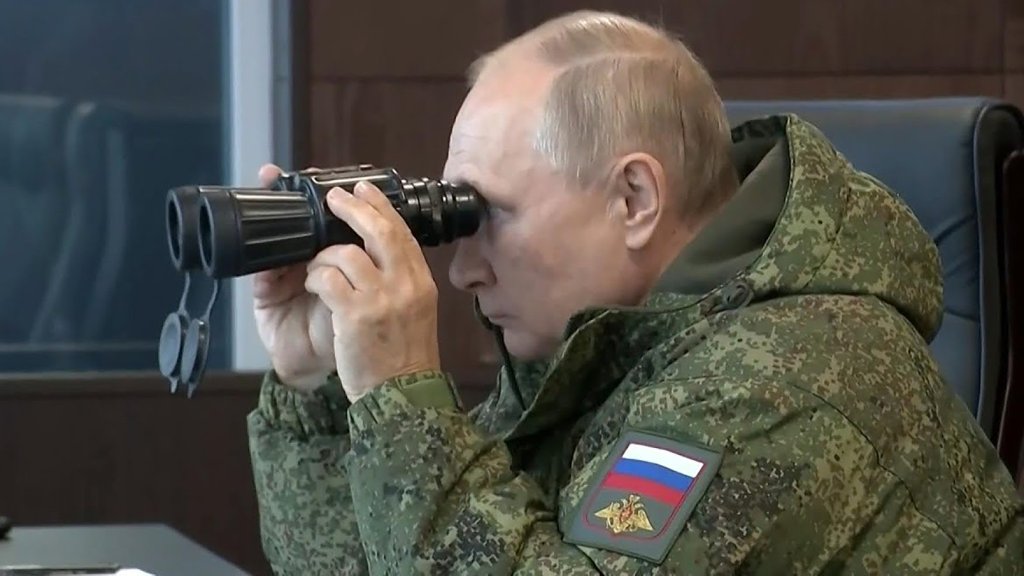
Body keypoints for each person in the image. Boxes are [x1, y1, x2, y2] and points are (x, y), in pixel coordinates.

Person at [246, 10, 1024, 575]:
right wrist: (320, 388)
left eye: (491, 214)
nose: (463, 270)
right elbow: (381, 556)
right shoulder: (612, 347)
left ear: (634, 200)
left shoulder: (780, 384)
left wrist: (404, 404)